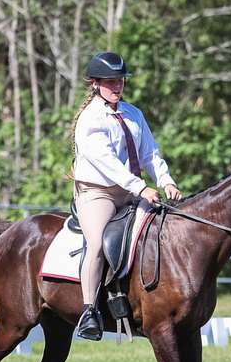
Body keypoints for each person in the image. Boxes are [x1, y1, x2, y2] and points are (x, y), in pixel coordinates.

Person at [71, 51, 181, 340]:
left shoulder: (134, 114)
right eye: (110, 81)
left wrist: (165, 180)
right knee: (96, 244)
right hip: (98, 192)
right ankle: (89, 310)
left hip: (131, 190)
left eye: (120, 80)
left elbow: (150, 153)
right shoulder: (90, 119)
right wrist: (141, 188)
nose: (117, 86)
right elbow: (106, 162)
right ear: (95, 83)